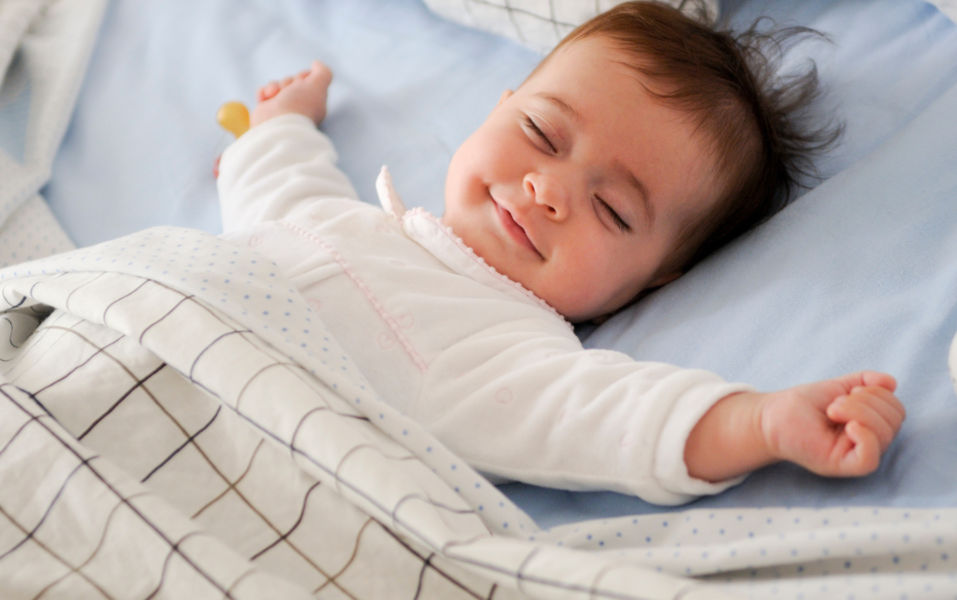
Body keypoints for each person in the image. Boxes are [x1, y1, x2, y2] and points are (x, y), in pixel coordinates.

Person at [217, 2, 904, 504]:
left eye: (611, 210)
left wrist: (761, 422)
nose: (547, 190)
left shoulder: (501, 350)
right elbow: (282, 186)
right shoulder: (337, 220)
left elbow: (610, 419)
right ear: (500, 105)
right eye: (542, 133)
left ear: (658, 278)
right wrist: (282, 125)